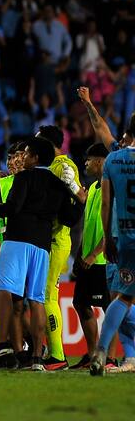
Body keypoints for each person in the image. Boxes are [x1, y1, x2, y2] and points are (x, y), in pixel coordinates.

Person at [0, 137, 85, 371]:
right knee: (36, 300)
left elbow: (12, 208)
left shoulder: (23, 177)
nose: (21, 157)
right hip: (42, 247)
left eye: (25, 154)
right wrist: (80, 200)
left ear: (35, 157)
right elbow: (69, 219)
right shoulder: (58, 183)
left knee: (4, 291)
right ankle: (36, 358)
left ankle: (1, 343)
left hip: (17, 240)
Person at [36, 124, 86, 370]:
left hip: (57, 240)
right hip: (49, 239)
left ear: (47, 143)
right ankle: (52, 352)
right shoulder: (50, 165)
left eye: (38, 141)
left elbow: (80, 197)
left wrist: (73, 188)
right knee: (44, 296)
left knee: (48, 296)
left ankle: (57, 355)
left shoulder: (64, 166)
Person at [90, 135, 135, 376]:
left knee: (124, 297)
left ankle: (101, 349)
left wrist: (108, 238)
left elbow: (106, 204)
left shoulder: (113, 160)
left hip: (125, 238)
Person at [71, 143, 111, 369]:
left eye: (88, 159)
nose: (85, 163)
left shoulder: (111, 187)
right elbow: (88, 226)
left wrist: (95, 254)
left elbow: (111, 226)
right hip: (87, 260)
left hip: (104, 260)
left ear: (99, 161)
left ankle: (111, 358)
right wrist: (80, 255)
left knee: (109, 307)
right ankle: (92, 354)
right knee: (80, 303)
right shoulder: (94, 188)